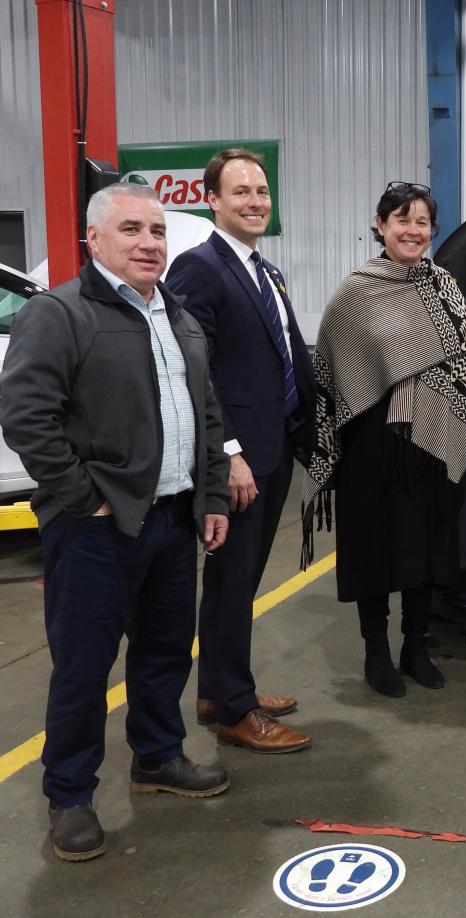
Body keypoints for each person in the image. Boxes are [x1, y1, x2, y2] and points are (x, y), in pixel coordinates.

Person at [0, 183, 231, 861]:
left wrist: (211, 496)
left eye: (157, 231)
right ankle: (69, 794)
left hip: (172, 518)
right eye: (131, 229)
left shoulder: (177, 316)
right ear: (93, 241)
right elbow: (25, 415)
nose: (149, 242)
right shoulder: (60, 313)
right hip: (96, 528)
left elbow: (207, 414)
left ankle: (157, 758)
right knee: (83, 666)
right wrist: (80, 496)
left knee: (164, 651)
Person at [302, 183, 466, 697]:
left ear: (433, 230)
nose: (413, 230)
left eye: (423, 222)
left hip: (434, 435)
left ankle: (415, 645)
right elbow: (331, 368)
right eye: (402, 220)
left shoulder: (442, 286)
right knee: (374, 547)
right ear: (381, 226)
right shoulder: (357, 290)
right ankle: (375, 652)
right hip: (372, 439)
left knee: (426, 547)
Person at [166, 148, 313, 754]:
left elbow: (282, 355)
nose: (255, 200)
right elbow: (190, 368)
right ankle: (234, 709)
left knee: (240, 579)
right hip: (239, 458)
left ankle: (216, 690)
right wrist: (225, 451)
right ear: (213, 200)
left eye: (261, 190)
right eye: (241, 192)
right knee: (231, 583)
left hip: (272, 447)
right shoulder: (200, 267)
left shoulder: (262, 269)